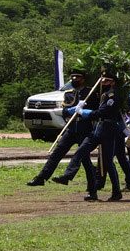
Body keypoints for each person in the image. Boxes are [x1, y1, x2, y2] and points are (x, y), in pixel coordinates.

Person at [52, 71, 123, 201]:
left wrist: (84, 112)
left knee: (107, 162)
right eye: (102, 81)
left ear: (112, 82)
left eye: (106, 81)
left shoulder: (113, 96)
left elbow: (102, 112)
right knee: (81, 151)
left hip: (108, 129)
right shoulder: (102, 94)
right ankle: (68, 176)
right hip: (97, 129)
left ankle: (116, 191)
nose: (103, 83)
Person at [27, 69, 97, 186]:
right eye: (73, 77)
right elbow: (64, 111)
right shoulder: (69, 94)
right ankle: (41, 178)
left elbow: (96, 111)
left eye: (77, 77)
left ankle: (92, 186)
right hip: (71, 127)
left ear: (83, 79)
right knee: (56, 153)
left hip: (84, 127)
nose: (74, 79)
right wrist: (71, 110)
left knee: (84, 158)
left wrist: (84, 111)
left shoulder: (91, 93)